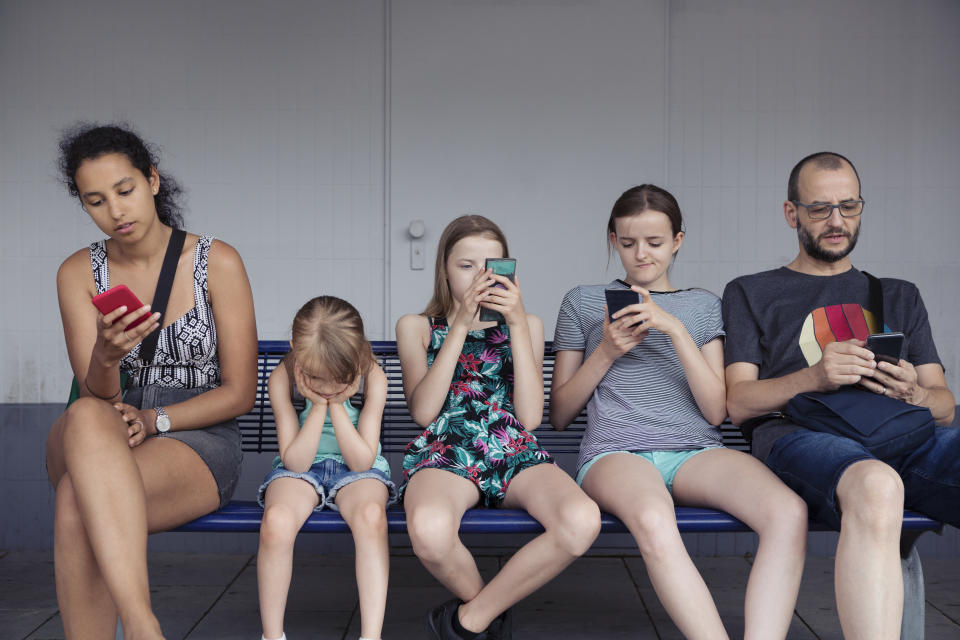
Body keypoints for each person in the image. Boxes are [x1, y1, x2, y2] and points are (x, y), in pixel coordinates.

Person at [550, 185, 807, 639]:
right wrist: (606, 352)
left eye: (654, 243)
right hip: (615, 453)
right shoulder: (583, 302)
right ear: (613, 240)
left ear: (678, 241)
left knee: (787, 511)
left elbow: (714, 412)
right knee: (653, 515)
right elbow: (560, 415)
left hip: (696, 451)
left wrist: (675, 330)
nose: (641, 255)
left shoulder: (704, 306)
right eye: (628, 244)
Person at [723, 152, 958, 639]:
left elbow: (945, 405)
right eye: (819, 209)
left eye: (848, 207)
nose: (836, 221)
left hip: (899, 429)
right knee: (876, 485)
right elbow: (739, 402)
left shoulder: (899, 294)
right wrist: (814, 377)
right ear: (792, 214)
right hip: (799, 436)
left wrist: (913, 392)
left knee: (885, 479)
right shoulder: (751, 291)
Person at [46, 123, 257, 639]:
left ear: (153, 181)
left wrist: (155, 419)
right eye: (96, 201)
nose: (115, 211)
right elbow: (98, 397)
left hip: (196, 434)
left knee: (77, 501)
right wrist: (105, 355)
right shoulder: (77, 272)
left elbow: (240, 392)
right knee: (86, 413)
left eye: (125, 190)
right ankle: (144, 627)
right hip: (101, 425)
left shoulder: (217, 262)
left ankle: (141, 626)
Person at [396, 215, 601, 640]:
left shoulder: (528, 325)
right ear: (444, 270)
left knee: (581, 520)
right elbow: (423, 412)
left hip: (512, 448)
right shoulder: (415, 327)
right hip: (447, 449)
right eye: (465, 265)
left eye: (490, 265)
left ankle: (468, 622)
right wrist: (460, 324)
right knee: (430, 531)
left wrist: (517, 324)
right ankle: (491, 615)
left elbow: (528, 418)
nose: (479, 276)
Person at [256, 296, 394, 640]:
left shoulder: (373, 375)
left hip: (359, 468)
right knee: (276, 522)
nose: (329, 387)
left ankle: (370, 636)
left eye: (339, 379)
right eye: (317, 377)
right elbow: (295, 461)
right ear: (295, 351)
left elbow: (361, 460)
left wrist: (338, 404)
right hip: (300, 468)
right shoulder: (282, 378)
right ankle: (272, 636)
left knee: (371, 518)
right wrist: (317, 405)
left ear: (359, 354)